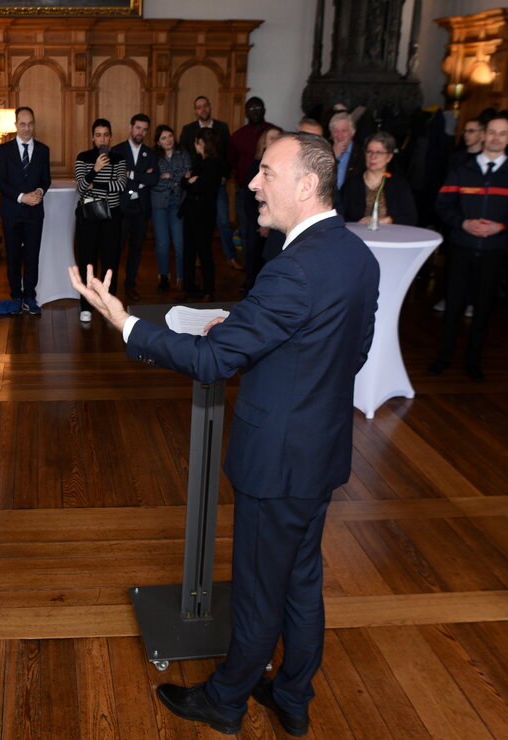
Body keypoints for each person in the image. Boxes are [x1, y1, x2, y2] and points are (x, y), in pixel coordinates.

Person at [70, 131, 379, 737]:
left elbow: (214, 365)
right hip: (320, 450)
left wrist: (125, 321)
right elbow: (350, 351)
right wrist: (249, 329)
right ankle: (292, 696)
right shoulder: (355, 255)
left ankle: (227, 699)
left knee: (261, 590)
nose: (254, 184)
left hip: (278, 459)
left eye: (266, 173)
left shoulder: (294, 269)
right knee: (301, 579)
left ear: (307, 185)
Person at [430, 111, 508, 381]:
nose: (496, 138)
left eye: (503, 133)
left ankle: (473, 362)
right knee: (453, 306)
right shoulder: (461, 170)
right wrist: (462, 223)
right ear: (484, 134)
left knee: (483, 309)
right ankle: (444, 358)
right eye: (492, 132)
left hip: (494, 251)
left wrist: (501, 226)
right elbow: (442, 205)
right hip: (461, 247)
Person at [0, 106, 51, 316]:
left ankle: (30, 296)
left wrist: (38, 191)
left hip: (35, 213)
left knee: (32, 255)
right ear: (16, 125)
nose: (26, 128)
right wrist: (21, 197)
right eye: (22, 124)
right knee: (13, 256)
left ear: (34, 124)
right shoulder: (4, 149)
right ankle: (16, 297)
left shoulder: (43, 150)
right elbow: (0, 181)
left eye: (30, 124)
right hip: (11, 211)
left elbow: (46, 180)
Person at [74, 118, 127, 323]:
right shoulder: (83, 157)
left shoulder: (119, 158)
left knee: (110, 263)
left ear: (110, 136)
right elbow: (80, 187)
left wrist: (94, 185)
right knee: (87, 262)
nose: (102, 138)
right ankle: (86, 305)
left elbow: (121, 185)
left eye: (106, 134)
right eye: (98, 135)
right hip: (88, 216)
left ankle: (108, 307)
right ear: (92, 137)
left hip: (111, 216)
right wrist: (95, 169)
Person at [180, 96, 236, 270]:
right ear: (195, 111)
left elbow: (229, 154)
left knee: (223, 222)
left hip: (216, 183)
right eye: (199, 107)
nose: (203, 109)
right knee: (197, 224)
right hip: (197, 183)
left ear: (210, 107)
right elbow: (184, 154)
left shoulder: (222, 127)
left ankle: (231, 256)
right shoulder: (188, 130)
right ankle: (197, 257)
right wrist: (190, 176)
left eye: (205, 106)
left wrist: (224, 176)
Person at [229, 98, 277, 279]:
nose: (255, 111)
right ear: (245, 112)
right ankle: (250, 278)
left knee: (270, 240)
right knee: (248, 234)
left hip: (273, 196)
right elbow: (232, 161)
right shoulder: (238, 135)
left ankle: (266, 278)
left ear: (264, 109)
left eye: (258, 107)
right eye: (251, 108)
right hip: (245, 194)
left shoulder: (274, 130)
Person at [112, 114, 157, 302]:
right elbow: (116, 178)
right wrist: (140, 178)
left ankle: (130, 286)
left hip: (141, 208)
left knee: (136, 249)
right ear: (131, 128)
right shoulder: (117, 151)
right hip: (122, 207)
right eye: (138, 128)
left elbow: (153, 179)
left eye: (145, 129)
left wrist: (130, 174)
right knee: (116, 248)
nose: (141, 132)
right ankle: (111, 286)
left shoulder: (151, 153)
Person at [179, 128, 225, 301]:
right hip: (190, 212)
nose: (194, 145)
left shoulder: (214, 163)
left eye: (196, 141)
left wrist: (192, 182)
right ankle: (189, 287)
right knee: (188, 251)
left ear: (201, 143)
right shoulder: (198, 161)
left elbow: (198, 187)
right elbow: (184, 182)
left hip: (204, 215)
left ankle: (208, 290)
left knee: (204, 252)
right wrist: (190, 181)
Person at [240, 126, 284, 288]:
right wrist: (260, 223)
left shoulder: (284, 169)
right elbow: (248, 199)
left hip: (278, 226)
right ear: (263, 143)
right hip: (256, 221)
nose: (275, 141)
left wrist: (272, 224)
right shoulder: (255, 167)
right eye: (271, 138)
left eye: (278, 137)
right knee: (253, 260)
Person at [342, 131, 417, 226]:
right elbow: (340, 215)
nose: (373, 157)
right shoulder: (351, 184)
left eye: (379, 152)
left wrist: (386, 220)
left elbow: (410, 218)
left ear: (389, 157)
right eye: (369, 151)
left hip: (391, 237)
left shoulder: (399, 185)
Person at [151, 125, 190, 292]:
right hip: (159, 204)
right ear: (158, 142)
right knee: (162, 243)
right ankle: (164, 276)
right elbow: (152, 180)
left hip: (177, 203)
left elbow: (187, 174)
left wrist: (168, 176)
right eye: (164, 137)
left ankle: (181, 277)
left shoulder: (183, 153)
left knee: (180, 243)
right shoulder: (153, 157)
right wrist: (176, 177)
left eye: (170, 136)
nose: (168, 140)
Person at [328, 112, 362, 197]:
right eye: (336, 131)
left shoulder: (362, 154)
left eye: (344, 131)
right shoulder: (325, 151)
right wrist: (333, 157)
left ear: (352, 132)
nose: (340, 135)